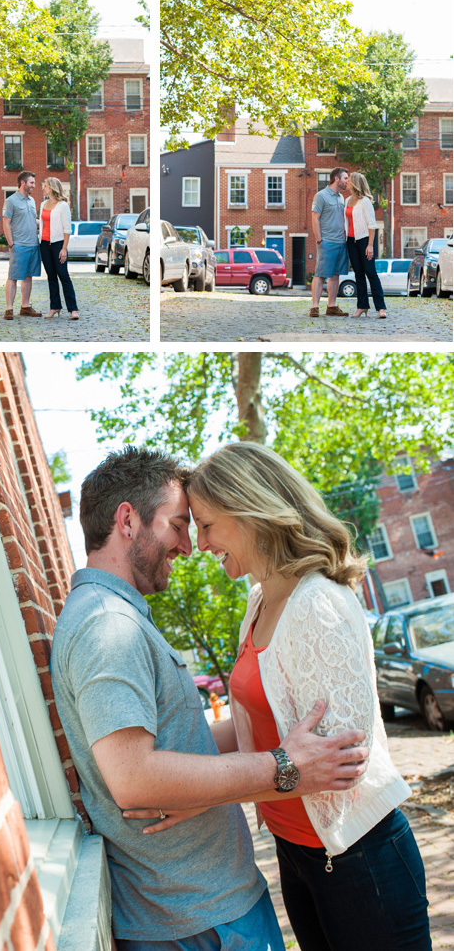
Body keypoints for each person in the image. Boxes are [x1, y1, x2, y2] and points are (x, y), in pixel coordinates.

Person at [50, 446, 370, 951]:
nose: (189, 545)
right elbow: (135, 779)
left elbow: (181, 743)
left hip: (208, 910)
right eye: (179, 525)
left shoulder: (118, 617)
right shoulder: (107, 626)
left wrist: (215, 781)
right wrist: (283, 768)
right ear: (127, 521)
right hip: (199, 923)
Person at [185, 442, 430, 951]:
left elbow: (341, 763)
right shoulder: (259, 600)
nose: (200, 542)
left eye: (206, 524)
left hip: (359, 858)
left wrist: (198, 793)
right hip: (296, 850)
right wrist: (172, 763)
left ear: (248, 510)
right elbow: (264, 723)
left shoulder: (315, 604)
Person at [309, 167, 350, 319]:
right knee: (320, 274)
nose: (347, 181)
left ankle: (331, 306)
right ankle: (314, 307)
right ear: (337, 179)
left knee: (335, 275)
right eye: (345, 178)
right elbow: (315, 217)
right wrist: (319, 239)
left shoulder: (341, 198)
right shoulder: (321, 196)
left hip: (341, 242)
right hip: (327, 242)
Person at [345, 172, 386, 319]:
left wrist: (370, 245)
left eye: (349, 180)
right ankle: (362, 306)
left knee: (371, 273)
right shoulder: (347, 200)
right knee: (358, 274)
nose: (347, 182)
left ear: (355, 183)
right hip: (351, 241)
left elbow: (372, 225)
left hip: (364, 241)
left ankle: (381, 308)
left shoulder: (365, 201)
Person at [1, 170, 42, 319]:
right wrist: (11, 244)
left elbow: (34, 221)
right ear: (23, 183)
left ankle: (25, 307)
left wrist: (51, 222)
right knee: (13, 277)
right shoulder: (11, 201)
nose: (34, 186)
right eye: (31, 183)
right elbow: (6, 223)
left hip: (33, 245)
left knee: (28, 277)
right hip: (19, 246)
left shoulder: (32, 201)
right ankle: (9, 309)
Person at [38, 177, 79, 319]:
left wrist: (64, 248)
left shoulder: (63, 205)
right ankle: (54, 306)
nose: (43, 188)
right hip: (44, 244)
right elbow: (43, 224)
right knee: (51, 276)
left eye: (46, 185)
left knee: (63, 275)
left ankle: (73, 309)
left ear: (53, 188)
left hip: (58, 244)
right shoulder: (43, 204)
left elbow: (67, 228)